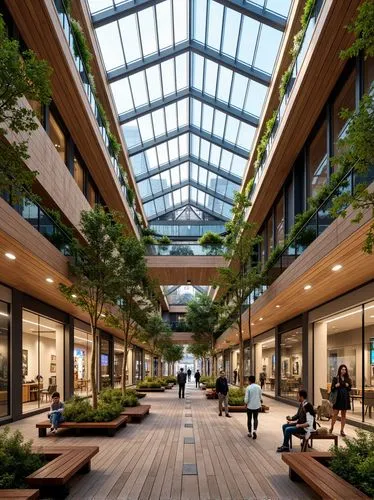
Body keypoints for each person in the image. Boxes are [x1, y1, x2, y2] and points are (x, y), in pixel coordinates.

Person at [329, 364, 352, 437]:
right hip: (338, 398)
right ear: (340, 370)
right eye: (342, 369)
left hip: (345, 397)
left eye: (345, 369)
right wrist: (335, 386)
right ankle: (332, 427)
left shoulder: (348, 379)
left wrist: (348, 386)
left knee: (343, 414)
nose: (344, 371)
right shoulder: (335, 378)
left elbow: (349, 389)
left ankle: (342, 430)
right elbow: (332, 389)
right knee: (335, 413)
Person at [244, 375, 262, 439]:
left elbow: (246, 397)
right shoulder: (259, 387)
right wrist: (260, 403)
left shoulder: (248, 387)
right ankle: (254, 431)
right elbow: (260, 396)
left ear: (249, 381)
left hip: (250, 406)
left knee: (249, 419)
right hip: (257, 405)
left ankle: (249, 432)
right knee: (255, 418)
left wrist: (245, 403)